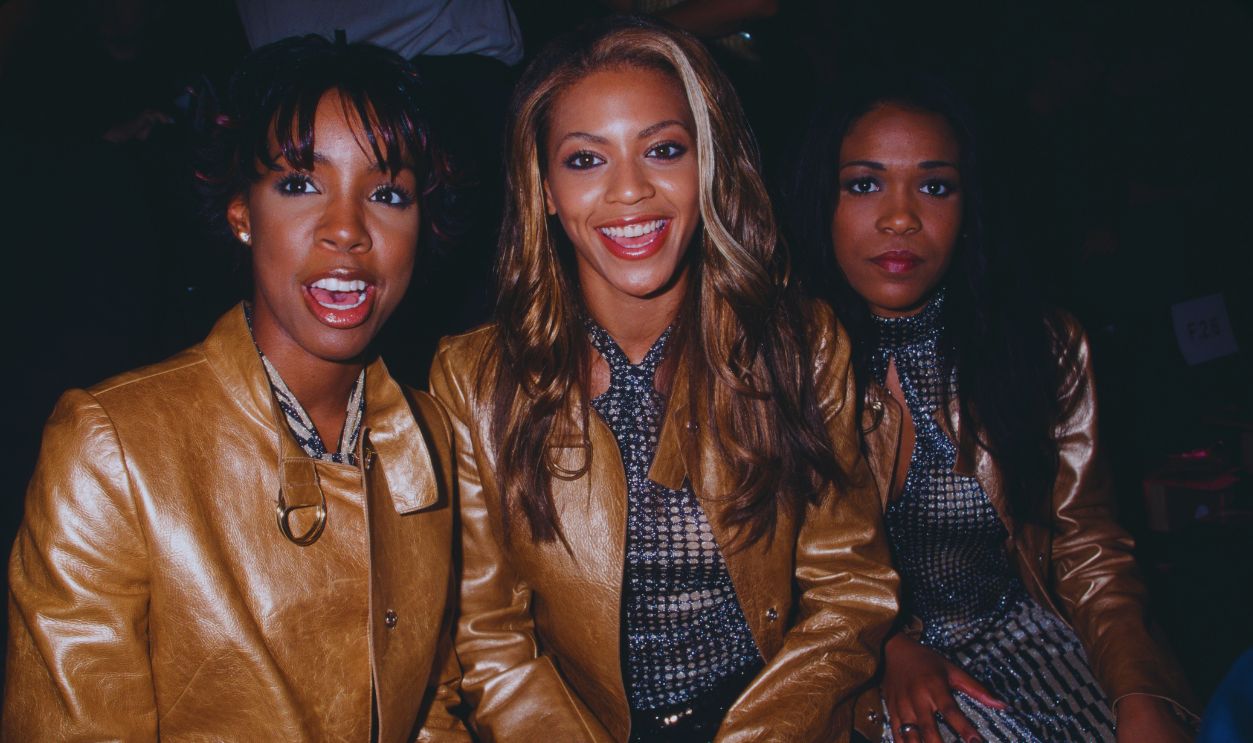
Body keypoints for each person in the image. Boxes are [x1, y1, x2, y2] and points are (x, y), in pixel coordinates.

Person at [429, 15, 898, 743]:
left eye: (664, 150)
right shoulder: (472, 380)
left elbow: (849, 590)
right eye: (586, 160)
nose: (630, 191)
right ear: (544, 188)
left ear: (707, 164)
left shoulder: (801, 344)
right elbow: (493, 639)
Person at [4, 35, 468, 742]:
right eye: (300, 183)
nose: (346, 230)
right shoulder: (112, 445)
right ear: (241, 214)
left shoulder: (431, 435)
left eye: (386, 194)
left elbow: (433, 704)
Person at [788, 76, 1196, 743]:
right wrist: (888, 645)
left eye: (934, 185)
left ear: (968, 207)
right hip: (854, 662)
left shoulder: (1042, 345)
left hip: (1029, 641)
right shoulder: (776, 361)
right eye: (864, 184)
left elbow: (1088, 546)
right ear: (818, 201)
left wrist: (1140, 690)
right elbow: (760, 573)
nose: (900, 217)